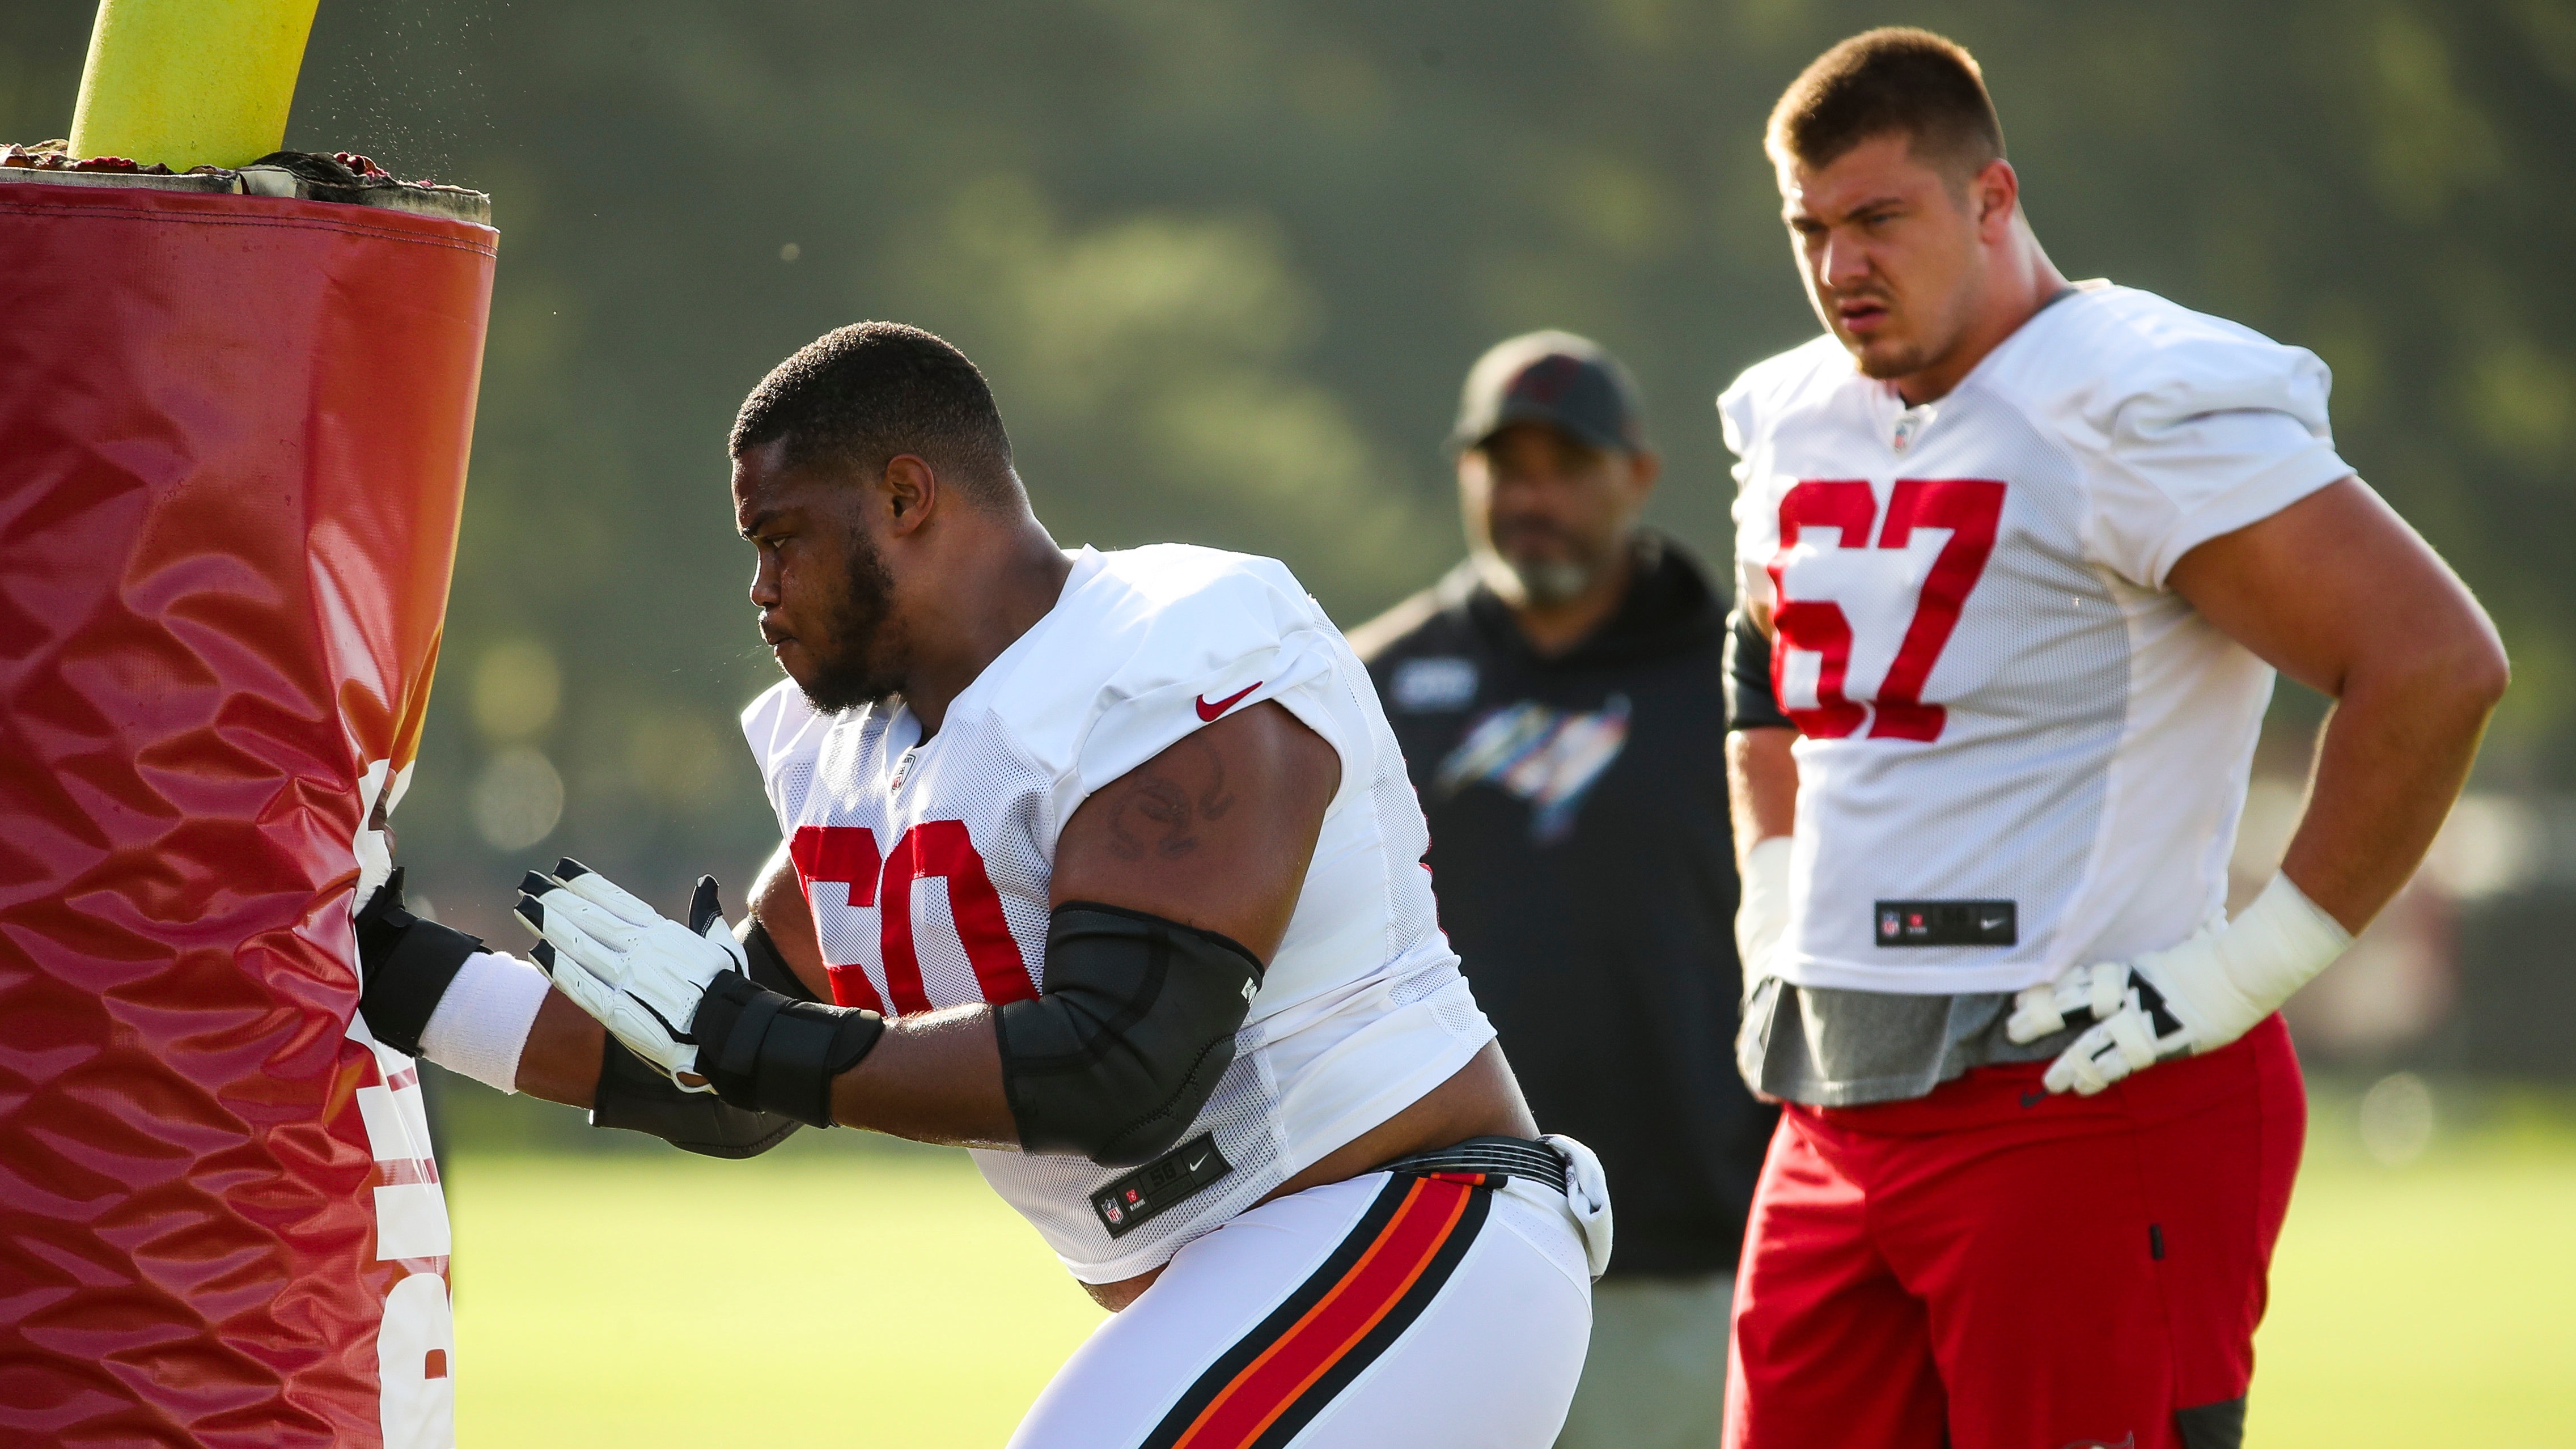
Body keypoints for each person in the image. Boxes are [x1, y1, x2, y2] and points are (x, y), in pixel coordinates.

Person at [352, 322, 1609, 1447]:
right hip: (1241, 1278)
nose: (761, 589)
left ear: (906, 496)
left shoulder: (1169, 658)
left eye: (781, 538)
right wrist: (375, 962)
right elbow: (714, 1084)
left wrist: (747, 1038)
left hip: (1409, 1231)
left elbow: (1119, 1065)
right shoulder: (863, 758)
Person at [1716, 29, 2507, 1449]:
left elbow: (2434, 665)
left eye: (1879, 218)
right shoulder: (1795, 412)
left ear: (1991, 200)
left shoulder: (2132, 397)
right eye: (1811, 229)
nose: (1841, 267)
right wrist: (1774, 895)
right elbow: (1766, 671)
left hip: (2079, 1086)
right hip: (1830, 1105)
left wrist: (2252, 967)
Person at [1348, 331, 1777, 1448]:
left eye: (1565, 466)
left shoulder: (1741, 679)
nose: (1531, 495)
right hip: (1433, 1251)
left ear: (1635, 474)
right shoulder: (1372, 686)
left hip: (1684, 1252)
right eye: (1504, 466)